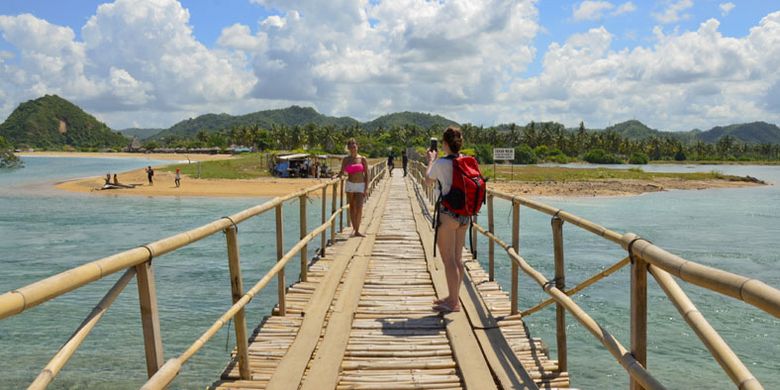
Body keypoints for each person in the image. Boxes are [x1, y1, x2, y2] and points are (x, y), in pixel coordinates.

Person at [426, 126, 469, 313]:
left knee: (448, 259)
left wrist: (431, 161)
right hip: (465, 215)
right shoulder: (466, 160)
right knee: (458, 258)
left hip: (448, 213)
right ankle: (453, 297)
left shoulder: (441, 163)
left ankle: (453, 302)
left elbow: (428, 180)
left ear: (444, 144)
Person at [337, 138, 369, 237]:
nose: (353, 148)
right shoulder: (346, 159)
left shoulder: (362, 159)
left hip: (360, 185)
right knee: (352, 207)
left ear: (357, 146)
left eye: (354, 146)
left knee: (359, 207)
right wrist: (336, 176)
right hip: (350, 185)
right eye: (350, 147)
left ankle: (357, 230)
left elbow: (367, 174)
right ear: (348, 148)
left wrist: (366, 188)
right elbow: (342, 172)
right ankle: (355, 229)